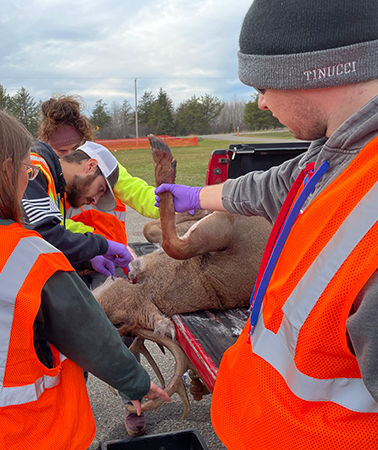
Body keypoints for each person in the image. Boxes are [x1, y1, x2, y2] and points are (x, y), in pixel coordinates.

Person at [154, 0, 378, 448]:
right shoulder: (335, 156)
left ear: (307, 73)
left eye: (261, 85)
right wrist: (196, 196)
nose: (259, 102)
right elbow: (275, 186)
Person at [0, 110, 170, 450]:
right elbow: (85, 331)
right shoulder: (29, 241)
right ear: (7, 170)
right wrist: (136, 383)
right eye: (24, 170)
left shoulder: (53, 181)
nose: (94, 202)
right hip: (26, 432)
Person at [35, 95, 160, 436]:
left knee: (119, 336)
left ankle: (134, 402)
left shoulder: (95, 164)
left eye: (76, 147)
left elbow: (138, 192)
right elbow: (48, 229)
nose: (70, 155)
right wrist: (95, 244)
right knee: (77, 344)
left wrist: (175, 202)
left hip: (107, 265)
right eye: (62, 150)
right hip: (74, 265)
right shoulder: (42, 172)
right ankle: (69, 416)